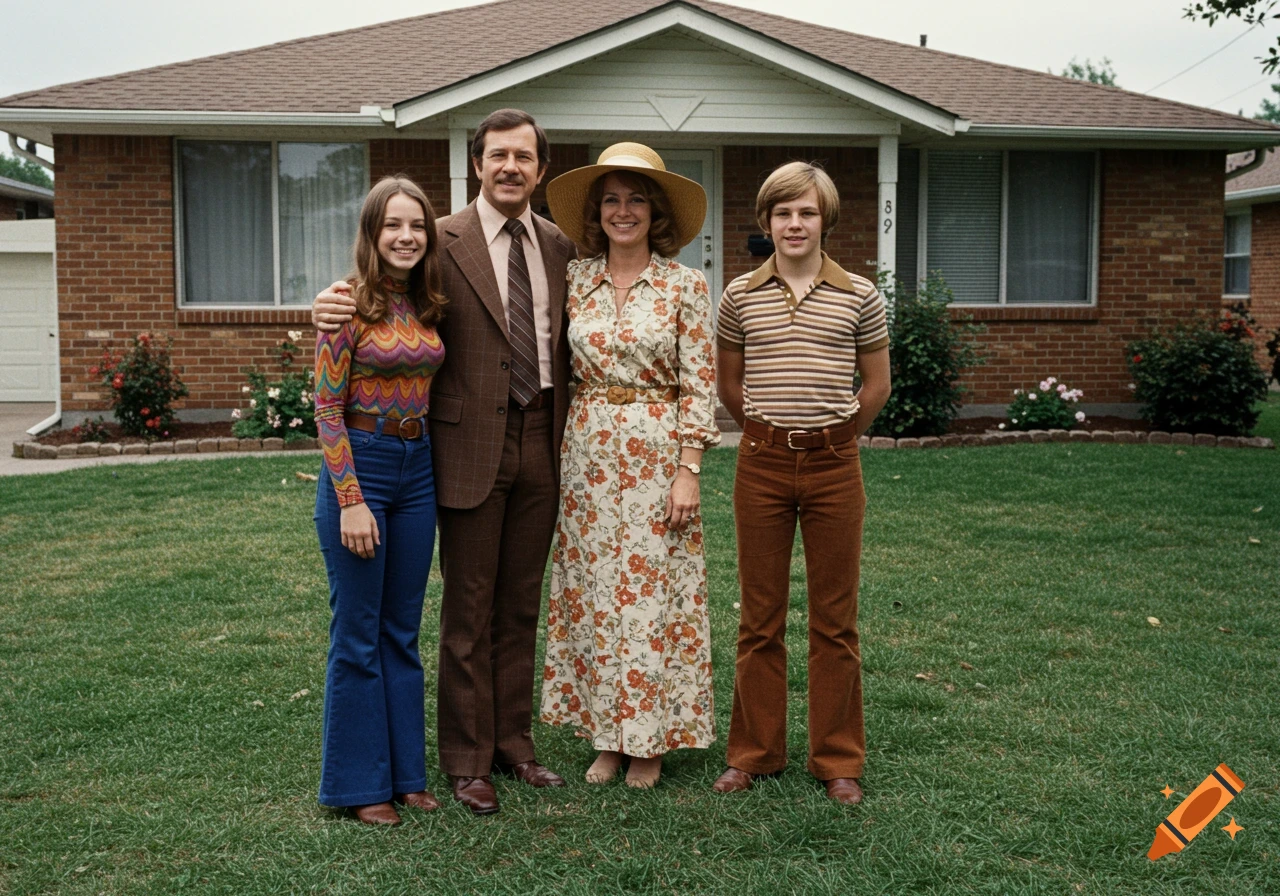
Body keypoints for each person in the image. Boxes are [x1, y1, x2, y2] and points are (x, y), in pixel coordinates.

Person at [312, 109, 576, 815]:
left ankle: (512, 744)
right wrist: (325, 305)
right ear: (477, 164)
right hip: (458, 450)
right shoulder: (441, 240)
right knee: (467, 606)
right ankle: (464, 762)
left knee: (520, 603)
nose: (510, 166)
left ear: (539, 169)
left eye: (524, 156)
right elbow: (370, 299)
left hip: (541, 436)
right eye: (498, 155)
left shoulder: (558, 245)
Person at [539, 143, 720, 789]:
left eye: (636, 198)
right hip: (586, 453)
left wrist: (688, 468)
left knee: (650, 598)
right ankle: (606, 737)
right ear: (596, 212)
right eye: (611, 199)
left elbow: (700, 384)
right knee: (595, 596)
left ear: (656, 211)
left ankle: (649, 742)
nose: (623, 211)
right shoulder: (574, 279)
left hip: (656, 452)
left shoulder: (685, 286)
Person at [712, 162, 892, 805]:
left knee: (835, 620)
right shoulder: (739, 296)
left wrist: (837, 435)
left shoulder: (860, 296)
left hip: (834, 468)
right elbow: (729, 386)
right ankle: (754, 754)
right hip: (760, 465)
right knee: (759, 618)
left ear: (826, 220)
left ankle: (837, 760)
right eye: (783, 212)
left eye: (807, 212)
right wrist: (764, 432)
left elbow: (876, 386)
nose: (794, 223)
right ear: (767, 221)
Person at [313, 175, 447, 825]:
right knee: (358, 634)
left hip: (417, 469)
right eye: (393, 225)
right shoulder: (345, 306)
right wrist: (349, 501)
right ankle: (360, 785)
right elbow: (326, 409)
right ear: (372, 232)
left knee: (402, 630)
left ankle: (407, 774)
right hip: (360, 466)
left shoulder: (426, 303)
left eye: (417, 225)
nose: (406, 236)